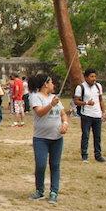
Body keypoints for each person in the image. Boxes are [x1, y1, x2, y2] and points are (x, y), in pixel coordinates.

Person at [28, 73, 68, 204]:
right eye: (51, 82)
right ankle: (39, 190)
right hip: (41, 138)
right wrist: (51, 104)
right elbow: (39, 113)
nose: (53, 85)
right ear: (45, 84)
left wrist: (65, 124)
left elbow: (63, 114)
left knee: (55, 165)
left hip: (57, 138)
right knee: (40, 165)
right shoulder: (35, 97)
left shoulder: (55, 98)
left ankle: (54, 192)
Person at [74, 68, 106, 163]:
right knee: (86, 135)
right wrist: (86, 103)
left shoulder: (98, 86)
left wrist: (103, 112)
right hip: (86, 115)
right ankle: (84, 155)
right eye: (91, 76)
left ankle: (98, 155)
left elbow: (101, 99)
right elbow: (76, 101)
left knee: (97, 136)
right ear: (86, 77)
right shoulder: (80, 87)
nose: (94, 78)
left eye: (95, 76)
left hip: (97, 115)